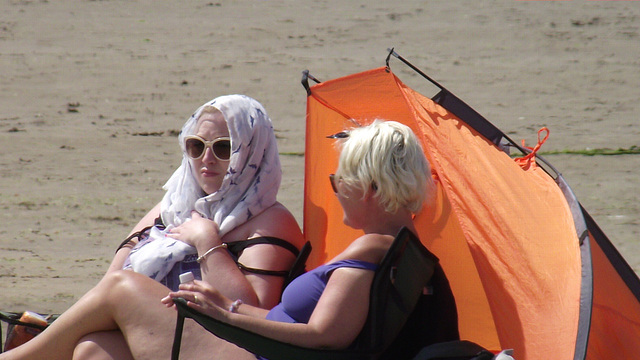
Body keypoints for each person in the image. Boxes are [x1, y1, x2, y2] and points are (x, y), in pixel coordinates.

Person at [0, 120, 433, 360]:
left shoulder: (372, 247)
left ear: (372, 188)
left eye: (341, 180)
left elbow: (325, 337)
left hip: (255, 354)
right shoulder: (399, 248)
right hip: (256, 346)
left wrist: (228, 311)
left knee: (122, 289)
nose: (334, 187)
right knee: (94, 351)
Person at [1, 94, 304, 360]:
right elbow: (106, 286)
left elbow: (254, 315)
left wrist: (208, 244)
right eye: (196, 146)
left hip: (230, 344)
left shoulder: (269, 221)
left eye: (223, 148)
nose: (206, 159)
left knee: (123, 288)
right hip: (168, 331)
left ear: (251, 153)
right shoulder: (171, 207)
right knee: (94, 348)